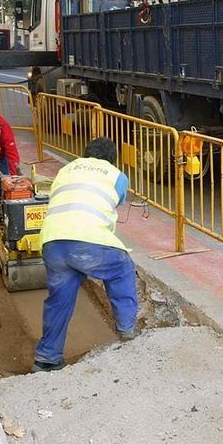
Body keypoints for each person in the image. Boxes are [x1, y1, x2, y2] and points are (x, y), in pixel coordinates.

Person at [33, 138, 137, 372]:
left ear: (85, 153)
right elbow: (116, 201)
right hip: (88, 240)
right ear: (113, 158)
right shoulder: (116, 175)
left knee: (59, 300)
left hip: (52, 242)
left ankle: (47, 358)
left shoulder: (66, 169)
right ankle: (127, 329)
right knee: (122, 269)